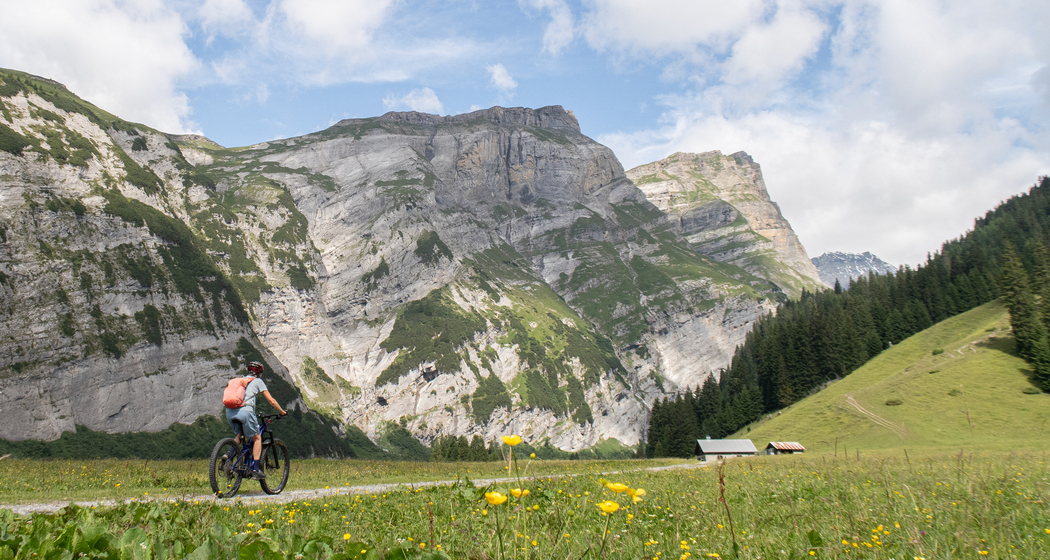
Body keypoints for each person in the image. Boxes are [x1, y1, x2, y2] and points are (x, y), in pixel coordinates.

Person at [226, 361, 287, 479]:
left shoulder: (240, 381)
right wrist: (282, 412)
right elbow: (271, 401)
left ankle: (228, 456)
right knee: (257, 437)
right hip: (246, 412)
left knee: (240, 435)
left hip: (229, 411)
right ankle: (255, 469)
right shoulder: (258, 381)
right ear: (259, 373)